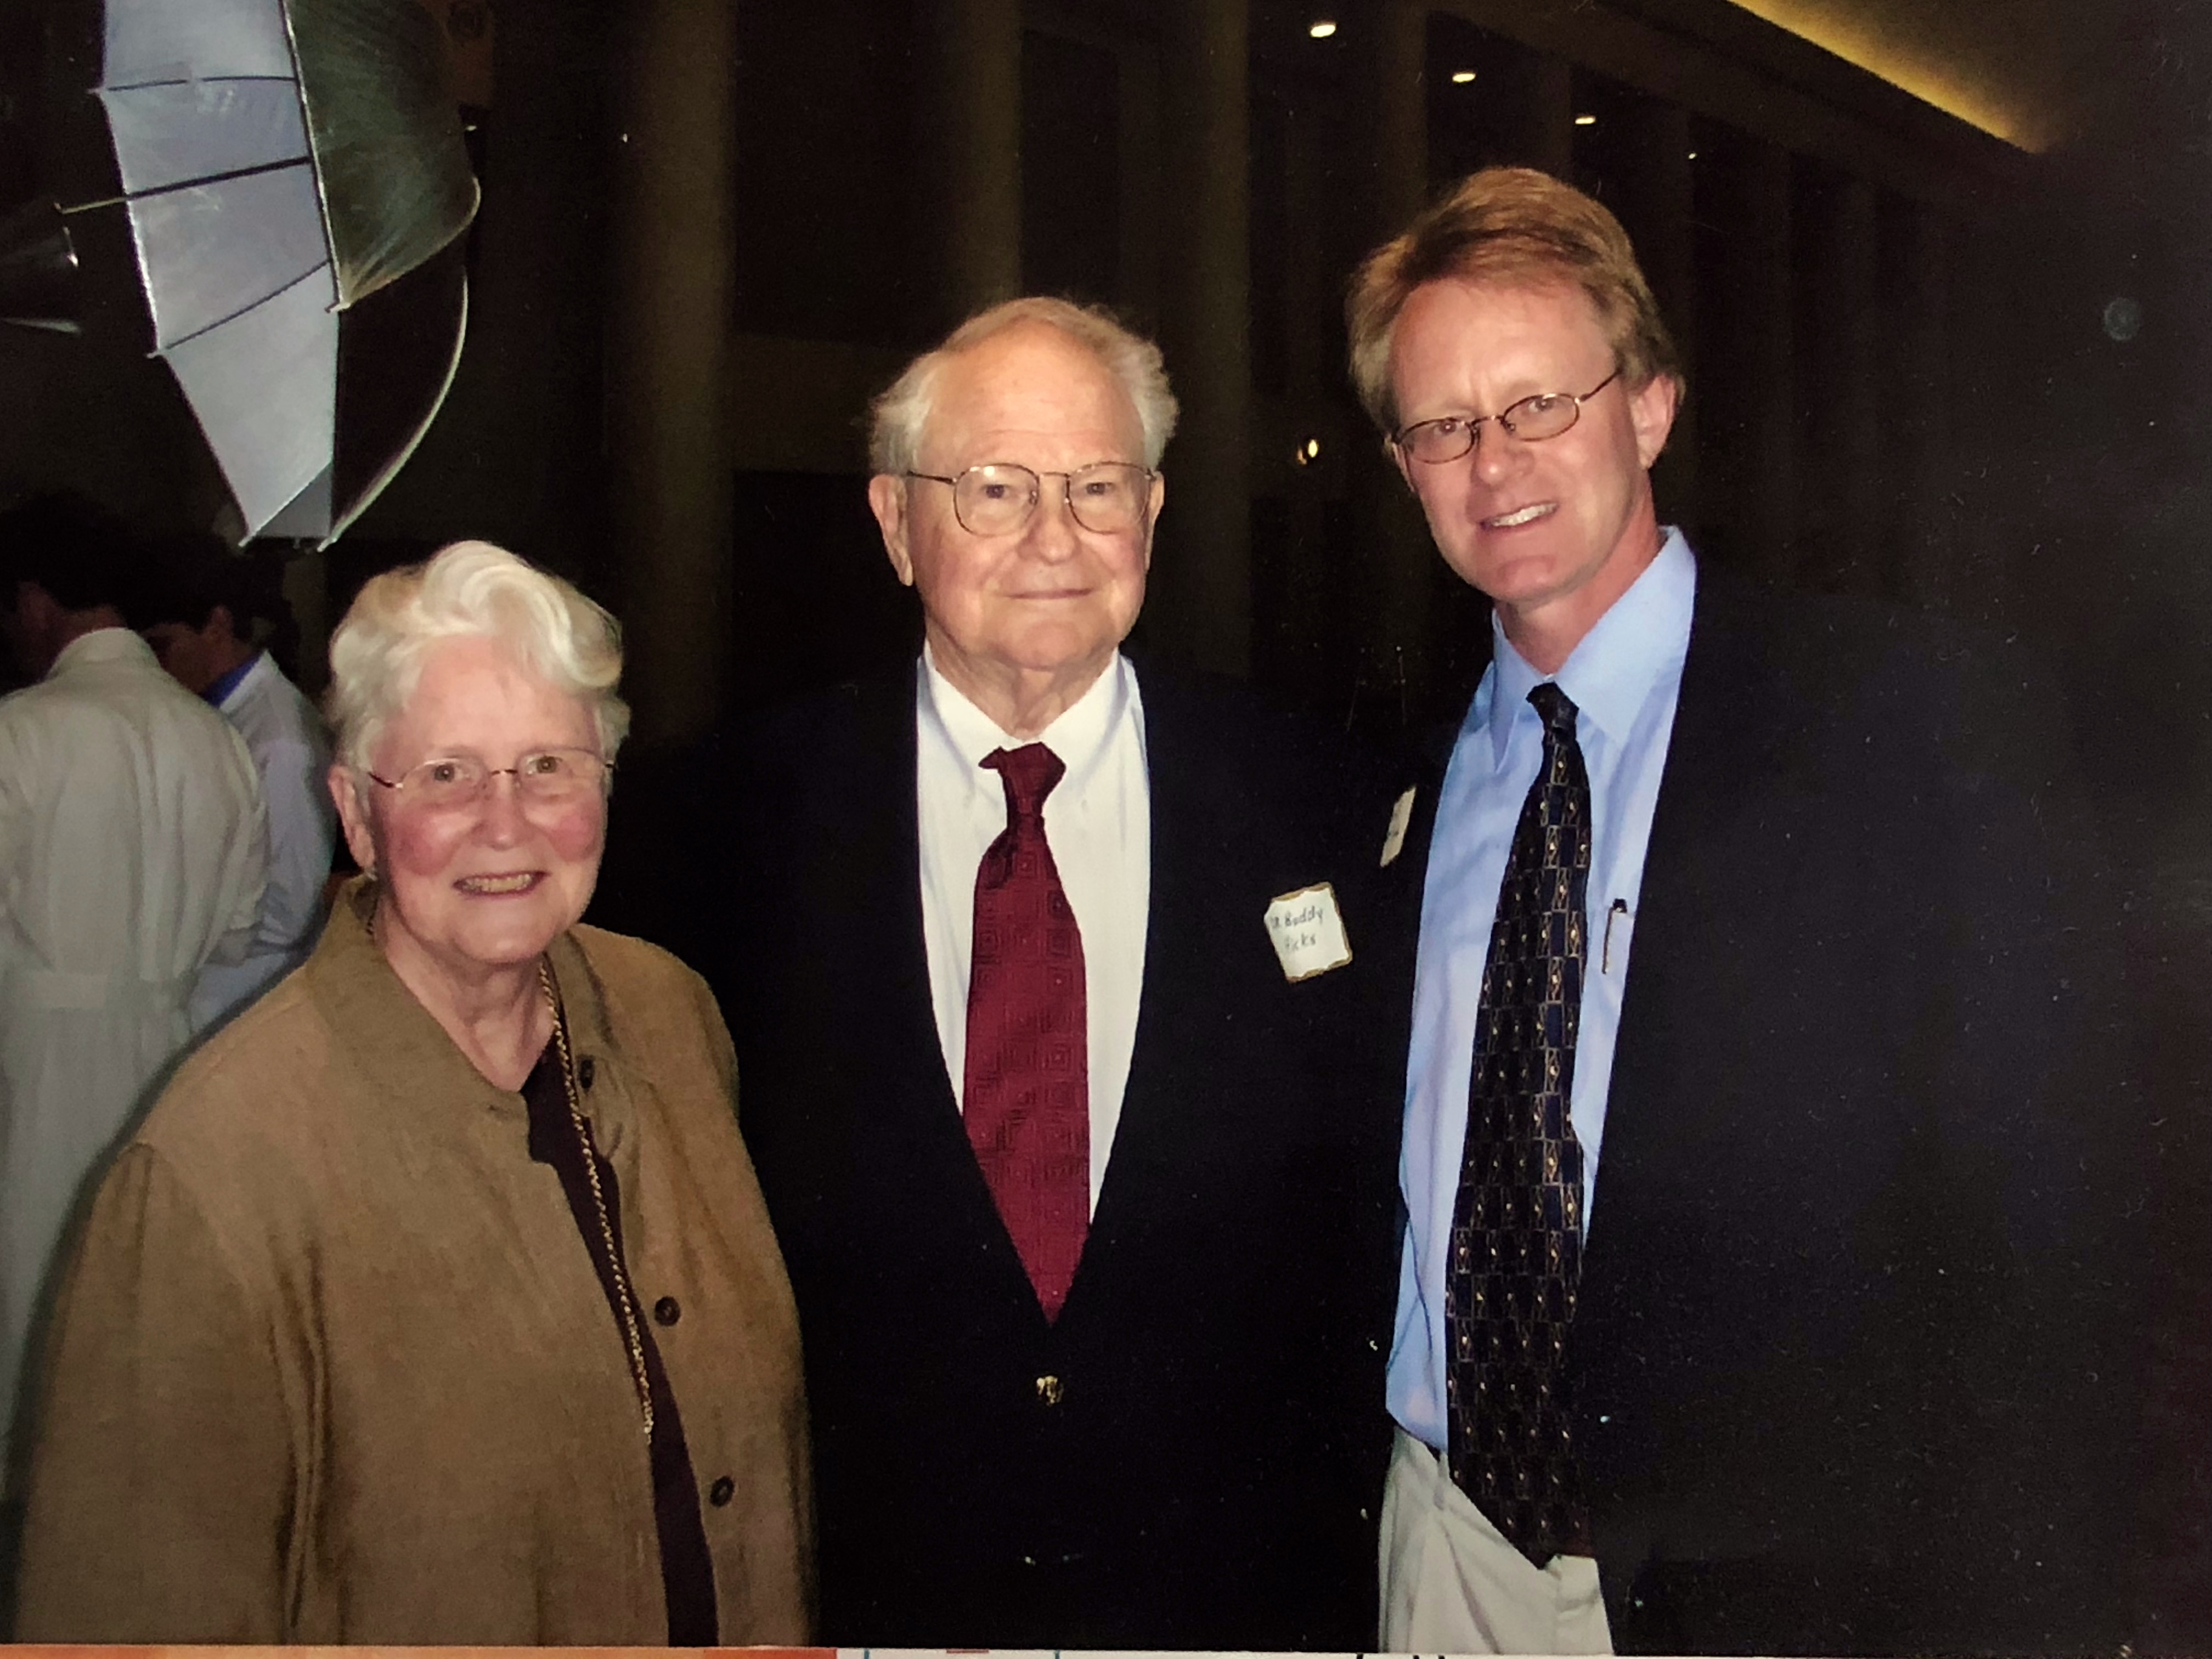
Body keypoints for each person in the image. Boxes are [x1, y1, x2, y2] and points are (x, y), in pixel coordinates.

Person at [1350, 166, 2133, 1655]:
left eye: (1540, 404)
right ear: (1403, 466)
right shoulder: (1391, 785)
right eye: (1442, 424)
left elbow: (2053, 1235)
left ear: (1650, 405)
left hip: (1781, 1583)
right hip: (1440, 1551)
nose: (1492, 460)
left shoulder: (1911, 723)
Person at [714, 297, 1402, 1648]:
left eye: (1094, 487)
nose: (1052, 539)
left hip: (1231, 1597)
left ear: (1151, 513)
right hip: (880, 1590)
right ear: (895, 524)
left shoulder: (1327, 804)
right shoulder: (732, 828)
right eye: (993, 489)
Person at [10, 541, 810, 1645]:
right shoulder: (212, 1175)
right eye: (445, 774)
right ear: (354, 814)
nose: (505, 821)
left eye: (549, 767)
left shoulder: (669, 1019)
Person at [0, 493, 264, 1483]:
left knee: (29, 1321)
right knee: (139, 1323)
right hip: (172, 1058)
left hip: (33, 1066)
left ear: (34, 604)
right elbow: (239, 928)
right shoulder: (217, 743)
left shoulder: (21, 733)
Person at [140, 535, 338, 1031]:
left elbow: (287, 910)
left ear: (218, 627)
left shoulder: (280, 740)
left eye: (164, 646)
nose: (156, 665)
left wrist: (185, 915)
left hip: (247, 996)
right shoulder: (221, 716)